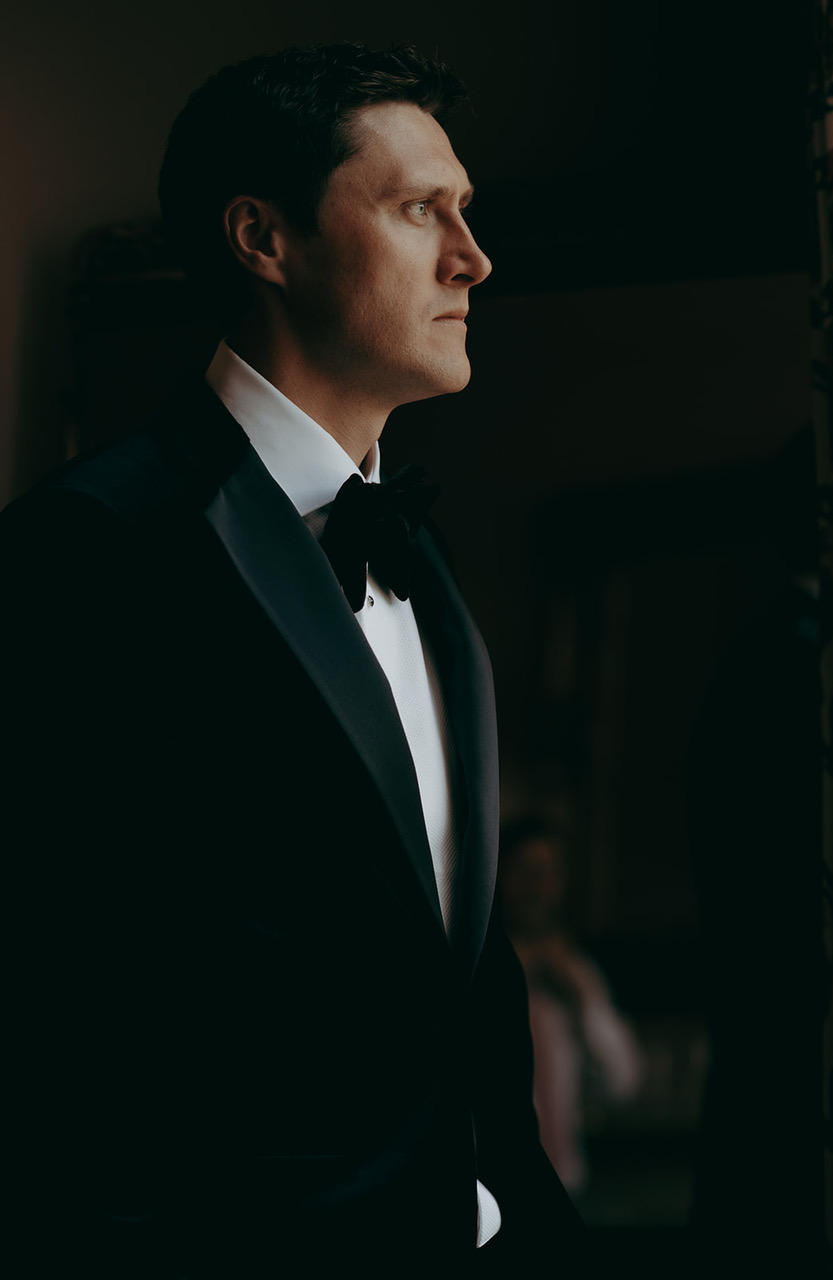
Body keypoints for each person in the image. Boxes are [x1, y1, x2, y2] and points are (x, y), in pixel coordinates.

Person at [2, 44, 587, 1276]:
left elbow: (457, 970)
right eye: (419, 209)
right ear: (263, 238)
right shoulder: (91, 547)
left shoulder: (421, 557)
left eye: (466, 211)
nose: (471, 257)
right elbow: (54, 1005)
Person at [499, 817, 642, 1194]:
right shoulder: (474, 974)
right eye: (524, 869)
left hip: (566, 1185)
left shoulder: (576, 973)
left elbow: (623, 1084)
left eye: (548, 872)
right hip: (492, 1187)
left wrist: (582, 1002)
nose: (536, 885)